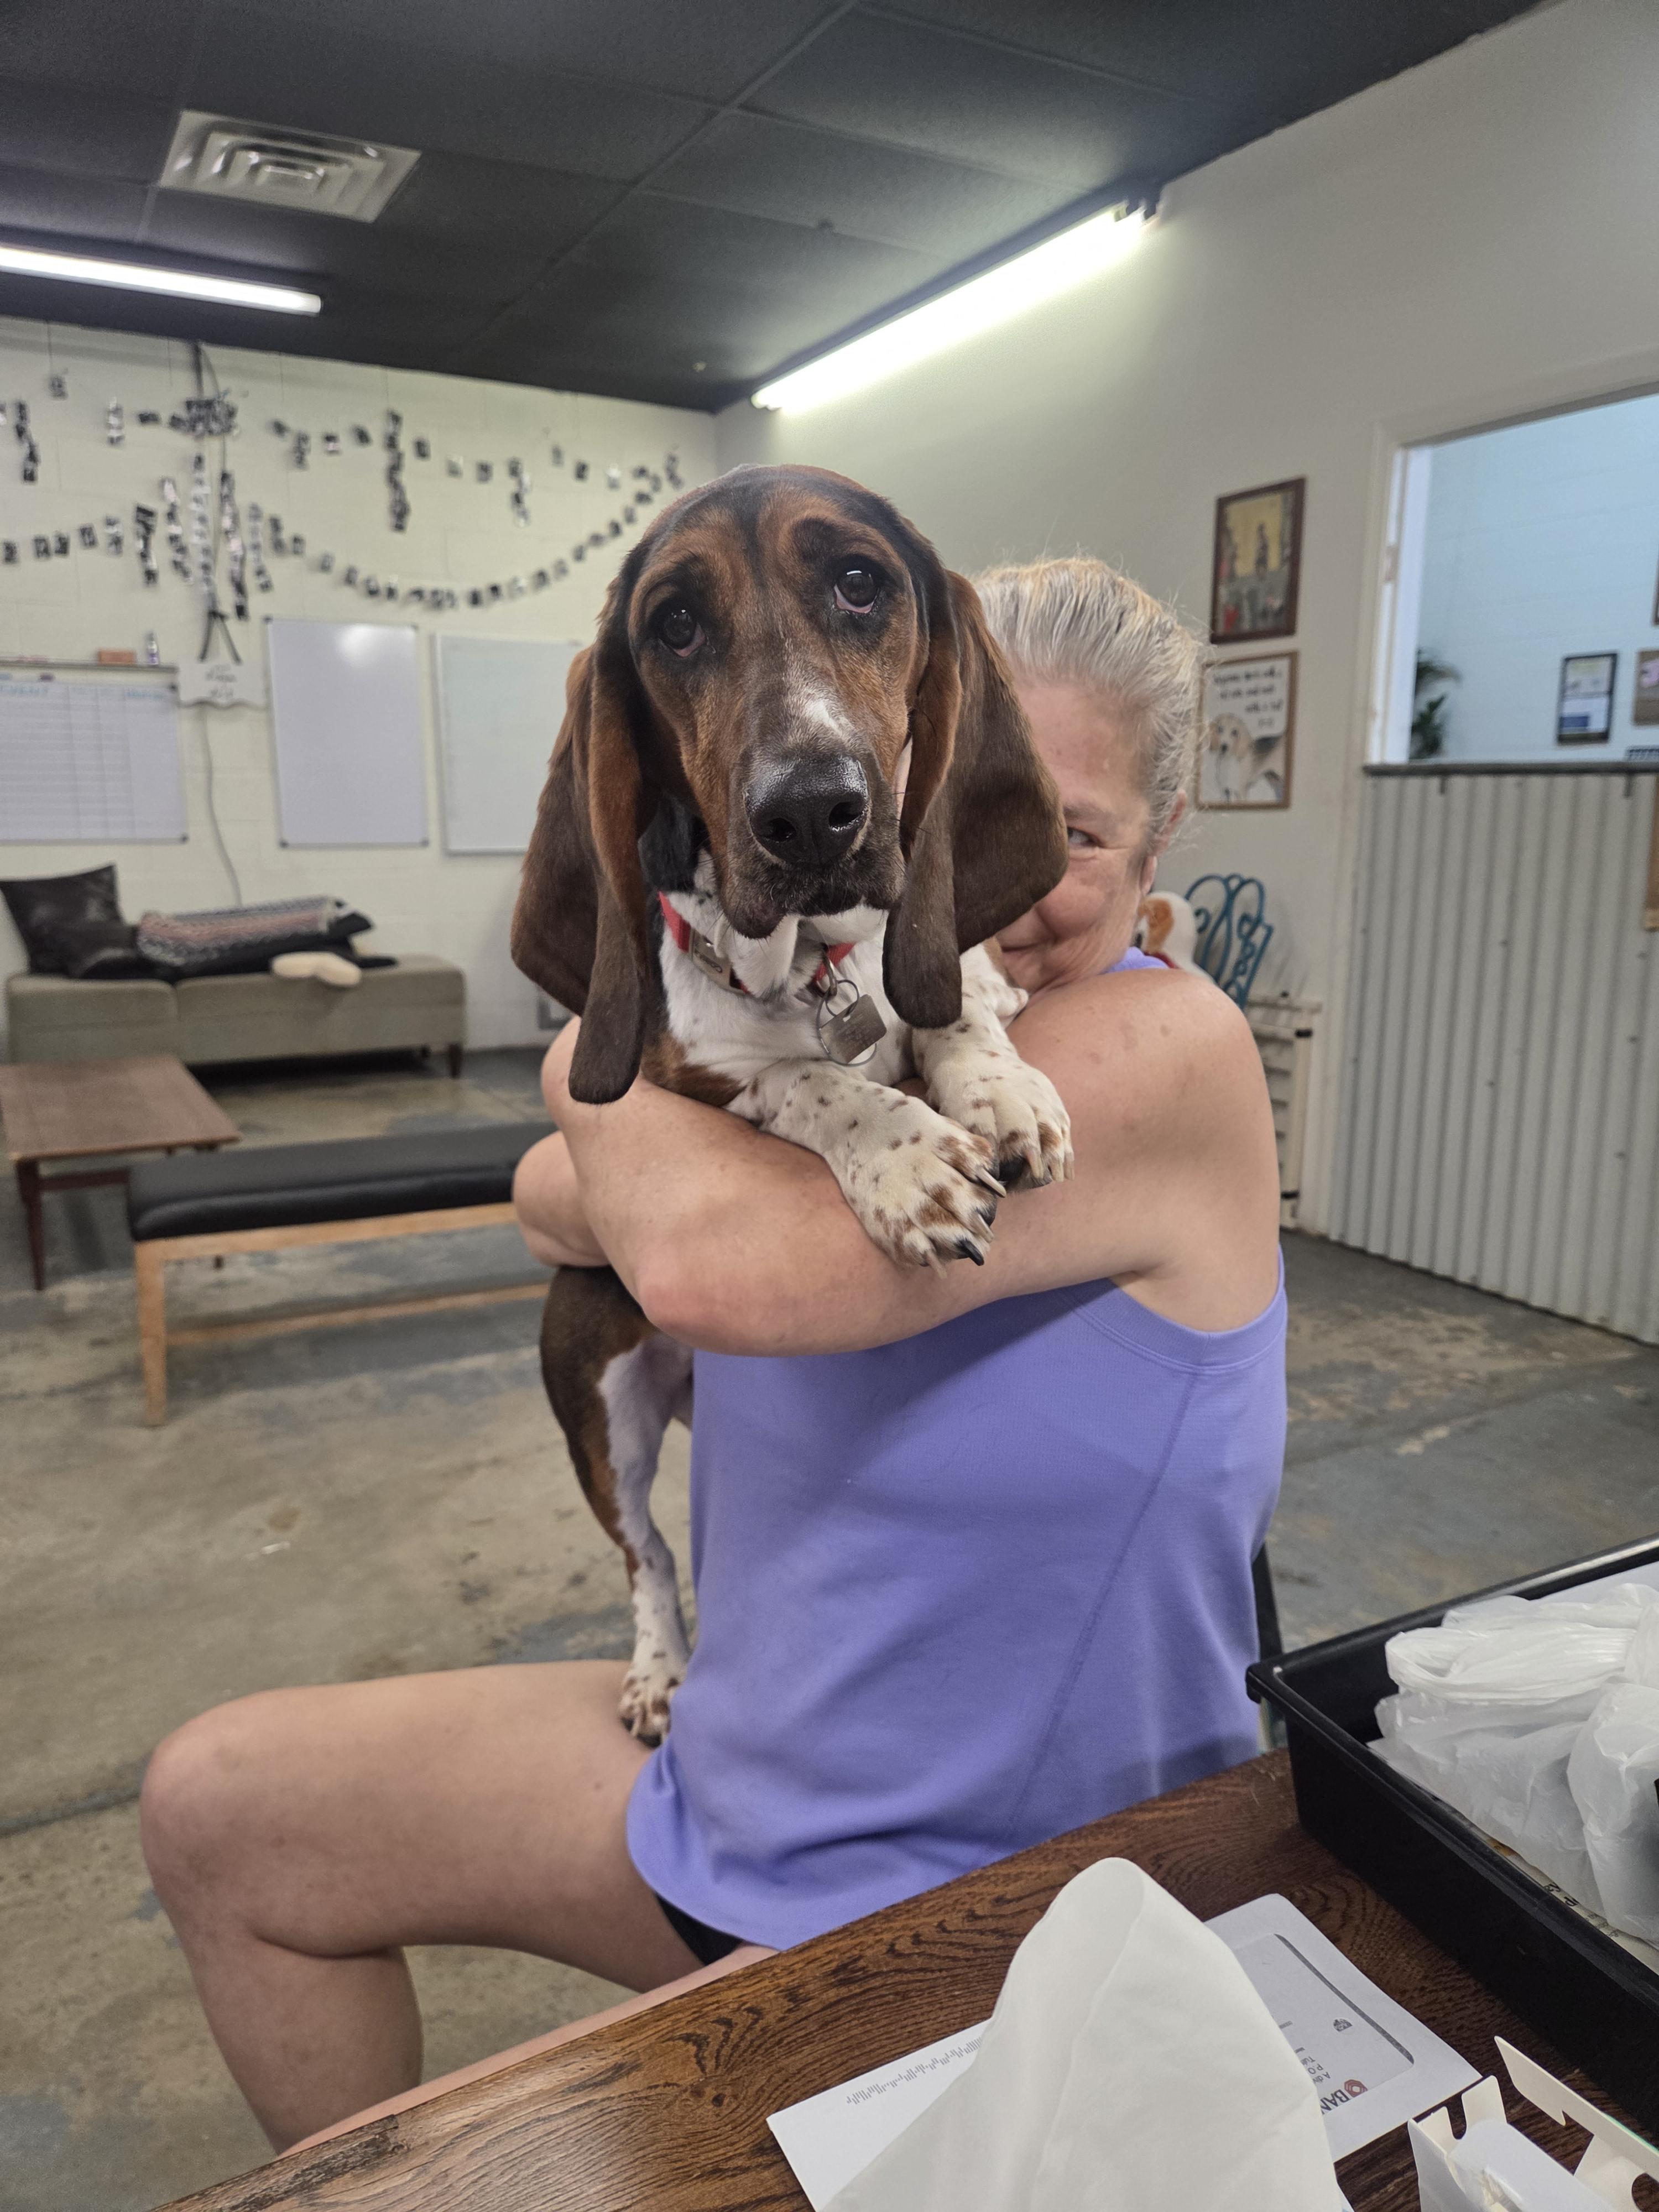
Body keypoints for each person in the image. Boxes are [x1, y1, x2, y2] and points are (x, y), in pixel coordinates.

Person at [139, 557, 1283, 2153]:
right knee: (220, 1807)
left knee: (611, 2148)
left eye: (1062, 836)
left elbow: (693, 1256)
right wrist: (631, 1052)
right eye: (940, 810)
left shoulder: (1165, 1051)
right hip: (739, 1778)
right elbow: (557, 1200)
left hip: (1004, 1882)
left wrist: (606, 1059)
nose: (977, 886)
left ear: (1163, 848)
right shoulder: (848, 1019)